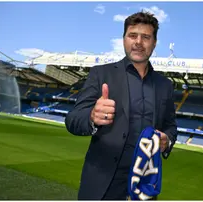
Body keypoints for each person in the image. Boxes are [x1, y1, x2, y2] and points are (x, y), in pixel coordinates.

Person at [65, 11, 177, 200]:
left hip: (145, 186)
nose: (138, 42)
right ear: (124, 39)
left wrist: (167, 141)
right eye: (132, 35)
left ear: (154, 43)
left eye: (146, 37)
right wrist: (92, 116)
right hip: (102, 184)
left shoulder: (164, 85)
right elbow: (73, 119)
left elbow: (171, 126)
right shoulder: (101, 74)